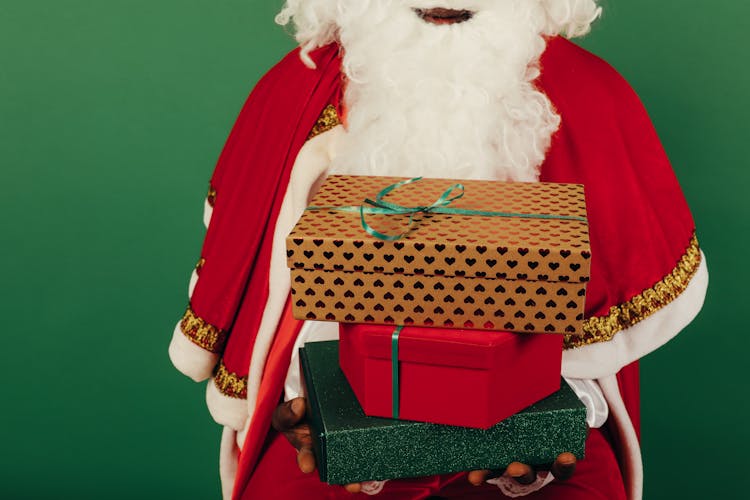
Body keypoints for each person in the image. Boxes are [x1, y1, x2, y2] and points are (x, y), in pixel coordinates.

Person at [168, 1, 708, 499]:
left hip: (530, 407)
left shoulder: (590, 92)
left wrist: (548, 417)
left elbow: (604, 298)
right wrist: (313, 401)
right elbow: (268, 274)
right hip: (337, 416)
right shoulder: (296, 91)